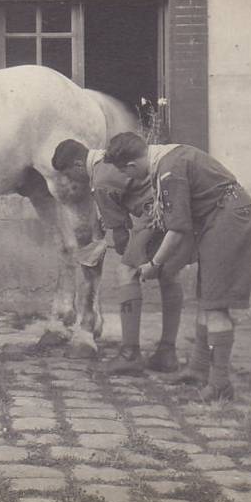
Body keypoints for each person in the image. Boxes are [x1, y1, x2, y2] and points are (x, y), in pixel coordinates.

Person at [105, 132, 251, 401]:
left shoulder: (168, 171)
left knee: (216, 304)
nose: (128, 179)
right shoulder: (166, 156)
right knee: (208, 298)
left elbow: (177, 229)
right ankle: (199, 369)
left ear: (131, 166)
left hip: (228, 218)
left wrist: (155, 264)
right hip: (219, 215)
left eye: (125, 172)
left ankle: (220, 384)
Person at [51, 139, 193, 375]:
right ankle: (167, 352)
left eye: (68, 175)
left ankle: (130, 354)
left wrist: (122, 249)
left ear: (78, 165)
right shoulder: (107, 160)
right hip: (170, 209)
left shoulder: (99, 179)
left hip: (155, 215)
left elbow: (119, 233)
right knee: (169, 274)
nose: (70, 182)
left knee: (126, 271)